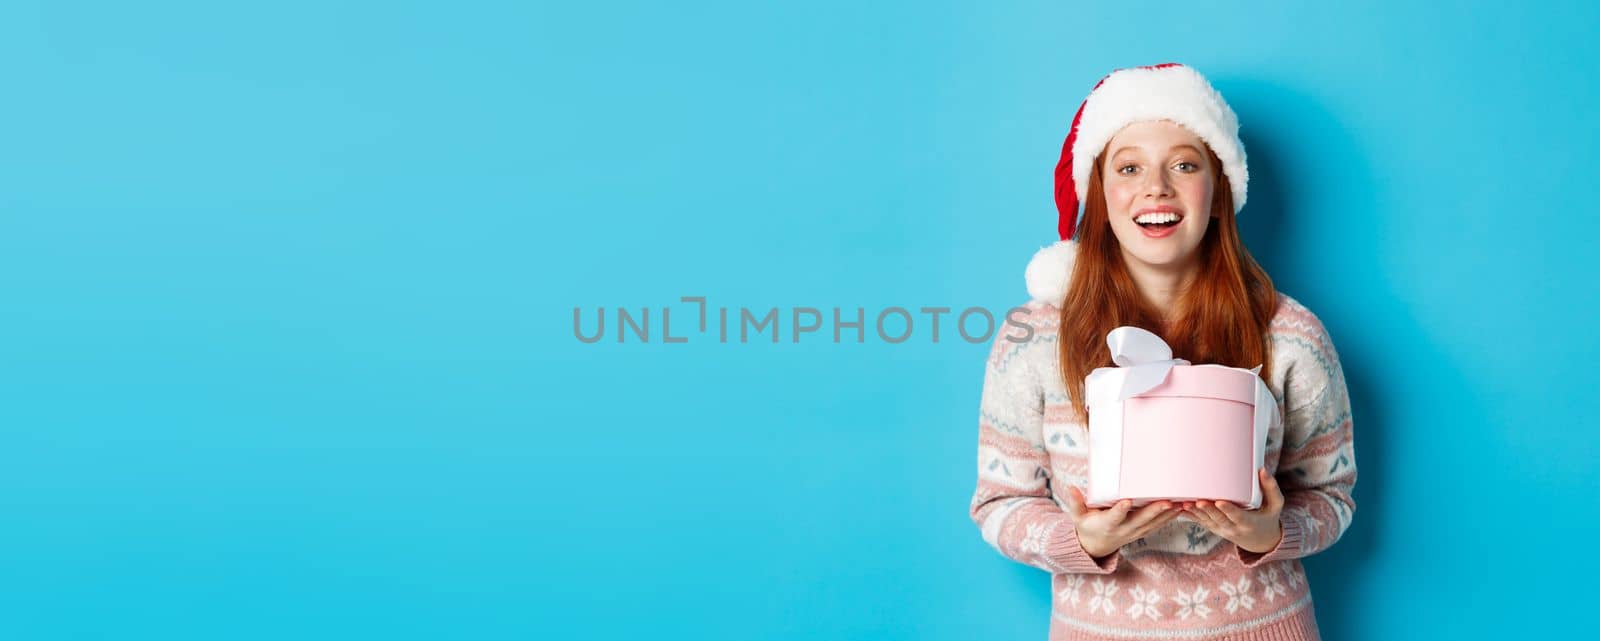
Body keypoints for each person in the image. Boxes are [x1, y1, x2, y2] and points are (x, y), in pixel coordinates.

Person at [969, 63, 1356, 641]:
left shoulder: (1291, 335)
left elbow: (1332, 495)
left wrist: (1273, 534)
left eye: (1183, 164)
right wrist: (1081, 542)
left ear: (1219, 191)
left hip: (1262, 626)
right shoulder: (1034, 339)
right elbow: (999, 502)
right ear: (1099, 194)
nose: (1157, 187)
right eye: (1129, 167)